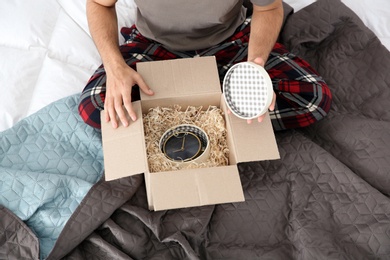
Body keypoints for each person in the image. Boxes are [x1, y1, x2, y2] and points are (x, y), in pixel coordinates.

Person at [79, 0, 332, 131]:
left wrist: (255, 66)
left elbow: (269, 8)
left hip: (231, 40)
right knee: (97, 107)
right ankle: (219, 118)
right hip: (154, 43)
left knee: (312, 97)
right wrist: (115, 68)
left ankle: (191, 121)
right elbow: (100, 4)